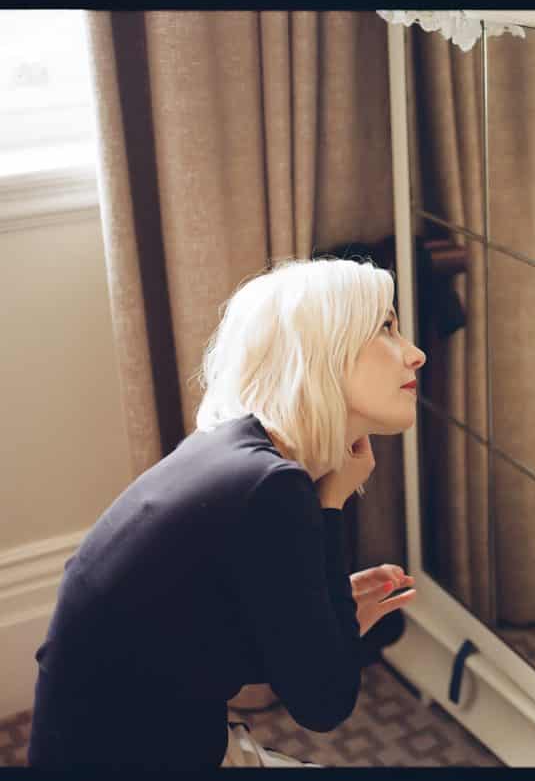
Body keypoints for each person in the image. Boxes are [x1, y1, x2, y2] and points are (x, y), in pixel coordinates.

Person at [28, 257, 426, 769]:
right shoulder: (272, 488)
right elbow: (326, 702)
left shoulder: (231, 451)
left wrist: (322, 619)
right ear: (320, 351)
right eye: (387, 328)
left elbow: (187, 649)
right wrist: (331, 507)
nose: (414, 354)